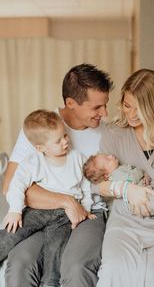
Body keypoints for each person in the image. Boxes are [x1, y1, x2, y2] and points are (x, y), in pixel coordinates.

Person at [2, 64, 114, 287]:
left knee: (73, 266)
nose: (104, 113)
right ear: (71, 103)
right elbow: (10, 185)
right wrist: (66, 201)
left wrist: (79, 205)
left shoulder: (109, 133)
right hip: (42, 212)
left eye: (105, 105)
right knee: (19, 264)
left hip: (88, 212)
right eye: (97, 107)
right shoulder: (42, 129)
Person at [91, 68, 154, 287]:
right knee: (113, 270)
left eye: (139, 109)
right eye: (127, 105)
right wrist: (126, 190)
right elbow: (97, 185)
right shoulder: (113, 133)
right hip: (124, 221)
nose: (131, 115)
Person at [0, 109, 96, 287]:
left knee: (55, 252)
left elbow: (85, 187)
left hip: (64, 216)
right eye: (58, 141)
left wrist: (86, 209)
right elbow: (16, 185)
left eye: (65, 136)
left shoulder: (77, 158)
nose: (66, 141)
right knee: (12, 232)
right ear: (40, 148)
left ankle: (50, 283)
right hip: (38, 209)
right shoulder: (33, 161)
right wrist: (14, 210)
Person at [83, 153, 154, 230]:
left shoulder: (120, 169)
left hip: (145, 192)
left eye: (107, 155)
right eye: (108, 159)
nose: (111, 155)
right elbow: (133, 178)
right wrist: (141, 173)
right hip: (138, 203)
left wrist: (145, 175)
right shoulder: (116, 176)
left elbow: (137, 173)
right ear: (106, 175)